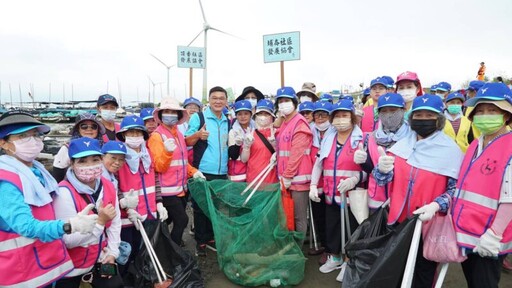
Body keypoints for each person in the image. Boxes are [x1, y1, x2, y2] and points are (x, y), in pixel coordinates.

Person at [0, 111, 97, 287]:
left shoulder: (39, 172)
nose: (33, 140)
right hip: (20, 272)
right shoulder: (5, 181)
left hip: (44, 263)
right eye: (23, 136)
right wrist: (70, 225)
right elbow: (26, 226)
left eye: (36, 135)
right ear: (4, 143)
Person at [375, 94, 463, 287]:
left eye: (429, 115)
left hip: (428, 225)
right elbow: (383, 180)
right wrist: (381, 169)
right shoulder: (402, 145)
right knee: (397, 268)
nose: (423, 120)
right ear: (411, 118)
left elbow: (456, 190)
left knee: (423, 272)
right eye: (419, 115)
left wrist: (436, 205)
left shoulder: (450, 150)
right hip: (398, 221)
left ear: (439, 119)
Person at [452, 82, 512, 287]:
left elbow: (509, 197)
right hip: (467, 231)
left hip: (489, 236)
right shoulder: (476, 144)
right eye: (480, 111)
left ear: (506, 114)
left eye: (492, 110)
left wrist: (494, 234)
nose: (485, 115)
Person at [53, 138, 122, 288]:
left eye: (95, 160)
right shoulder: (64, 193)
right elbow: (68, 240)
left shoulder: (108, 185)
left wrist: (112, 253)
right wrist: (100, 223)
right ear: (72, 163)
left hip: (100, 258)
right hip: (72, 268)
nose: (90, 166)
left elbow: (115, 222)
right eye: (82, 161)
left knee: (115, 284)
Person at [309, 99, 365, 282]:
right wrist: (312, 185)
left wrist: (355, 179)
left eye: (345, 115)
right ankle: (335, 257)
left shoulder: (362, 138)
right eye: (337, 116)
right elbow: (319, 163)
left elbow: (369, 170)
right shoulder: (328, 138)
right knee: (331, 225)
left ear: (352, 117)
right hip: (331, 192)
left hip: (352, 194)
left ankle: (349, 261)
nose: (341, 119)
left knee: (352, 230)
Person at [148, 97, 205, 246]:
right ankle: (173, 249)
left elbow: (182, 162)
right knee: (182, 220)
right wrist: (167, 152)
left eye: (174, 112)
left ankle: (162, 246)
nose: (170, 114)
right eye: (166, 111)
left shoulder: (178, 134)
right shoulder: (156, 136)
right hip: (166, 190)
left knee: (168, 220)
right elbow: (159, 166)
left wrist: (194, 172)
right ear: (160, 115)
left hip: (180, 187)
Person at [115, 115, 167, 273]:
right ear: (123, 135)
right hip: (127, 216)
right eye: (130, 133)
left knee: (142, 251)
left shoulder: (147, 154)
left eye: (138, 133)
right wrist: (124, 204)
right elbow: (113, 184)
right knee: (126, 253)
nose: (135, 137)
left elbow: (155, 179)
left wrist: (159, 203)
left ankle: (140, 278)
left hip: (148, 211)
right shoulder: (119, 156)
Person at [185, 86, 230, 256]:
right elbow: (187, 141)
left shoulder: (228, 120)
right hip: (202, 171)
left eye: (221, 98)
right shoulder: (199, 117)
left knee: (216, 208)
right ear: (208, 100)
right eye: (214, 98)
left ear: (226, 101)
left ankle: (211, 238)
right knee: (200, 208)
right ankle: (200, 242)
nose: (218, 101)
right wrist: (198, 135)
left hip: (222, 172)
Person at [354, 93, 410, 210]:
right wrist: (363, 161)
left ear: (403, 110)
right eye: (384, 111)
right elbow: (370, 168)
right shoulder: (371, 138)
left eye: (393, 110)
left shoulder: (412, 136)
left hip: (403, 199)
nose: (388, 115)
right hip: (376, 199)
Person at [275, 86, 313, 245]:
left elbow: (296, 153)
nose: (284, 104)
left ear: (294, 103)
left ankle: (297, 249)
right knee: (287, 214)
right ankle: (290, 246)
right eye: (281, 101)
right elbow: (282, 146)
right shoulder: (285, 122)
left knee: (298, 216)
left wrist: (288, 175)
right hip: (286, 177)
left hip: (298, 179)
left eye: (287, 101)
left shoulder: (299, 123)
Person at [309, 101, 333, 259]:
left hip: (331, 184)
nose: (320, 118)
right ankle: (324, 246)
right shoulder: (310, 132)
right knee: (319, 217)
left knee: (330, 218)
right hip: (315, 183)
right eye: (317, 115)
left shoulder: (335, 132)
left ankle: (331, 249)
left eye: (324, 114)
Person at [52, 112, 106, 182]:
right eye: (84, 126)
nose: (89, 129)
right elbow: (58, 171)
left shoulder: (103, 147)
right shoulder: (67, 148)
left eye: (93, 126)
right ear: (78, 129)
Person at [240, 99, 278, 185]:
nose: (263, 117)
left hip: (272, 181)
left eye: (266, 114)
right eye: (260, 114)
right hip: (253, 180)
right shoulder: (250, 134)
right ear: (255, 116)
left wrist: (276, 148)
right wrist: (246, 146)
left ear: (272, 116)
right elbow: (244, 160)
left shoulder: (277, 133)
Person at [227, 100, 255, 182]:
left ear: (251, 115)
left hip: (253, 169)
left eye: (246, 113)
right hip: (238, 173)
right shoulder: (233, 132)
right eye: (239, 114)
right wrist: (237, 144)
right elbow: (233, 155)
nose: (243, 117)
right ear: (236, 116)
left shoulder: (256, 129)